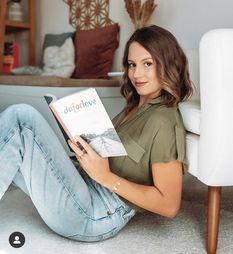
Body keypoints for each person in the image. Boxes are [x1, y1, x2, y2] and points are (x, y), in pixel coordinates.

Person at [0, 25, 193, 242]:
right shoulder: (136, 107)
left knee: (21, 118)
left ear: (168, 64)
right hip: (86, 184)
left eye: (147, 64)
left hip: (96, 213)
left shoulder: (163, 120)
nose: (136, 74)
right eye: (132, 65)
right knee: (15, 144)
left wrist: (106, 177)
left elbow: (169, 204)